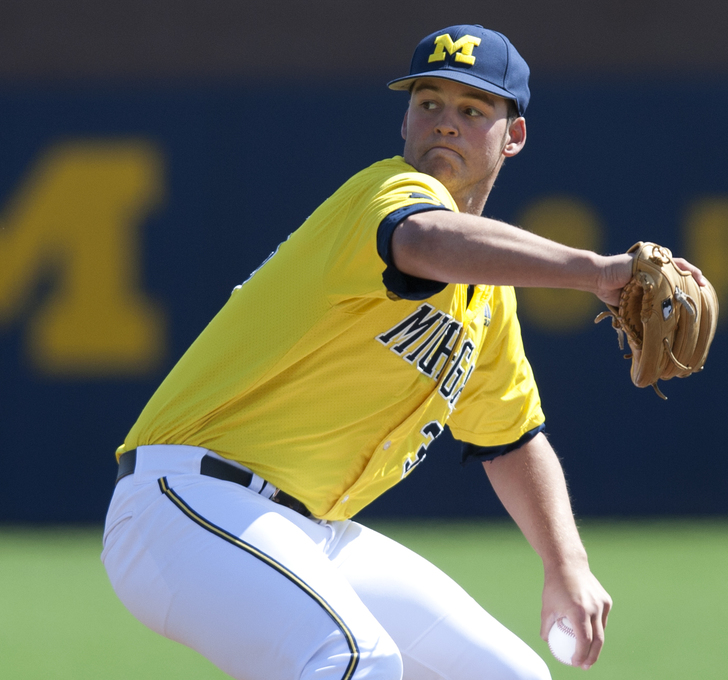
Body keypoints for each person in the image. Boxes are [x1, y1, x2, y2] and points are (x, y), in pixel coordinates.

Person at [101, 24, 705, 680]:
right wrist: (596, 271)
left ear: (515, 136)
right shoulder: (384, 196)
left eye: (472, 111)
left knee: (510, 676)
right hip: (185, 505)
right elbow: (426, 243)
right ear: (404, 120)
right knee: (353, 658)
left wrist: (567, 567)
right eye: (429, 103)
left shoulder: (488, 297)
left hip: (306, 530)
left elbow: (511, 438)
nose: (446, 123)